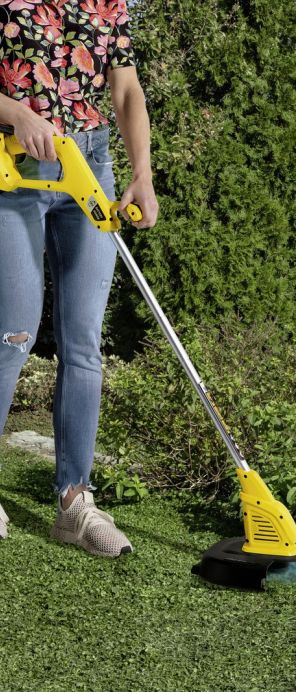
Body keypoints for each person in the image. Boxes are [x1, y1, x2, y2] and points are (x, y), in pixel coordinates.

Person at [0, 0, 158, 556]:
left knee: (84, 343)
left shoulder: (108, 2)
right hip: (13, 167)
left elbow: (126, 90)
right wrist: (16, 113)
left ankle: (74, 503)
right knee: (13, 335)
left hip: (89, 162)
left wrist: (142, 173)